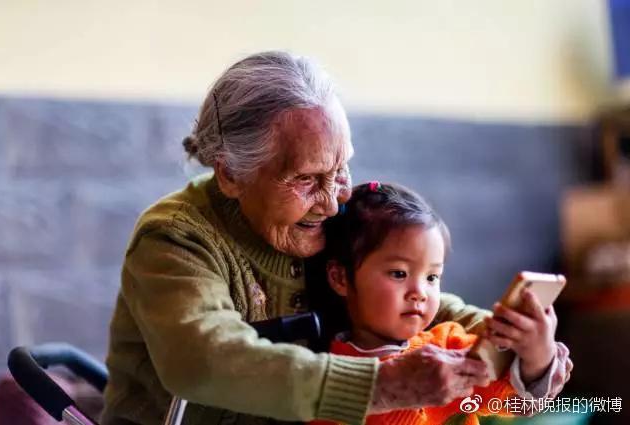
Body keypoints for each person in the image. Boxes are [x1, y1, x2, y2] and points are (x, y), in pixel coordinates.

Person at [100, 51, 572, 425]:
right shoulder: (176, 239)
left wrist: (523, 343)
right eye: (306, 179)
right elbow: (205, 360)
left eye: (340, 169)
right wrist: (383, 385)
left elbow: (426, 305)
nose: (331, 202)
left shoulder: (335, 219)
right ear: (229, 175)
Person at [307, 182, 568, 425]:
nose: (420, 292)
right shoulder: (330, 379)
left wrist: (537, 356)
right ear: (340, 277)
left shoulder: (448, 348)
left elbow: (514, 400)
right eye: (399, 273)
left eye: (432, 277)